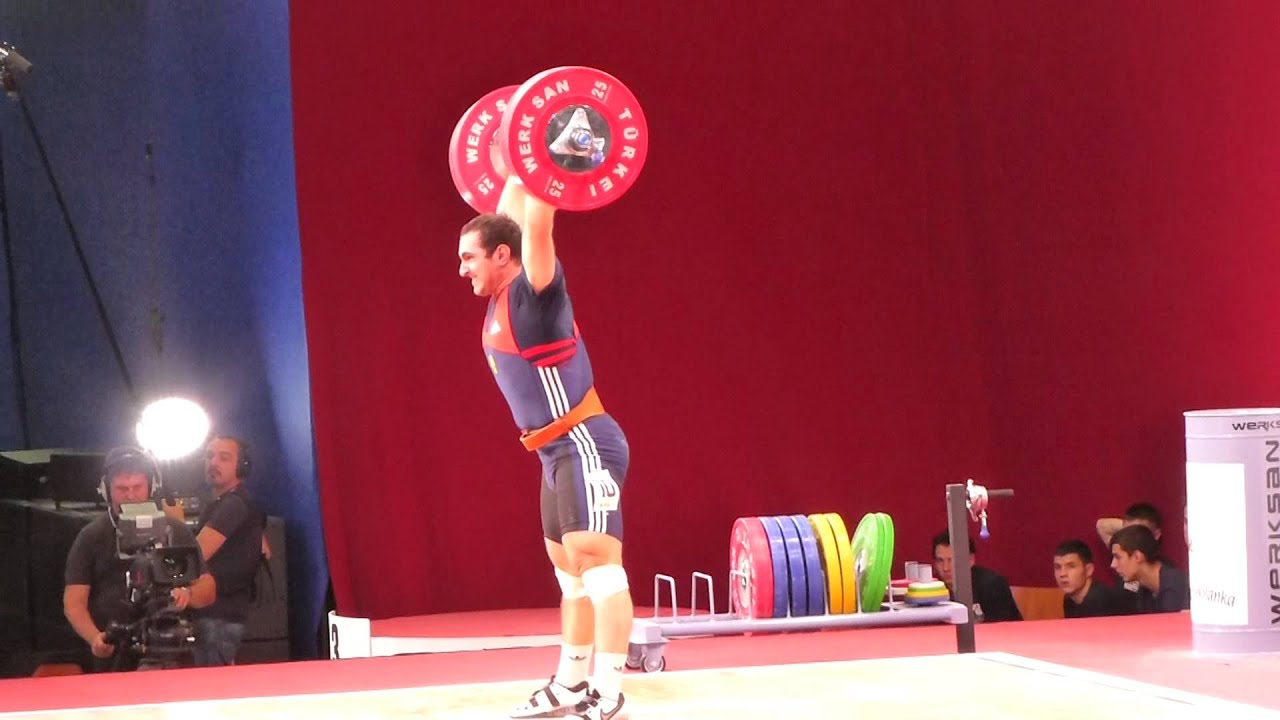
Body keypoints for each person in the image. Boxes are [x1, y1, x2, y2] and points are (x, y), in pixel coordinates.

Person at [458, 175, 632, 720]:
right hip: (552, 455)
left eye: (469, 258)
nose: (462, 268)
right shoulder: (500, 299)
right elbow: (511, 206)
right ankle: (570, 684)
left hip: (585, 442)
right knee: (569, 575)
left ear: (502, 256)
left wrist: (552, 159)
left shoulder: (536, 293)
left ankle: (610, 691)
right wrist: (518, 160)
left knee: (597, 564)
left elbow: (535, 221)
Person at [63, 446, 216, 671]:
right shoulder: (91, 536)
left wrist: (188, 594)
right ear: (106, 490)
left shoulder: (175, 531)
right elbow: (74, 601)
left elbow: (208, 589)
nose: (131, 495)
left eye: (137, 487)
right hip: (115, 652)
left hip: (169, 646)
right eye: (122, 489)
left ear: (151, 487)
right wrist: (94, 638)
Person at [186, 435, 265, 666]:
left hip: (218, 617)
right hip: (215, 616)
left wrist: (176, 524)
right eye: (209, 456)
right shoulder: (225, 503)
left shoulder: (233, 505)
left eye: (224, 458)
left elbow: (196, 554)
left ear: (242, 466)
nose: (213, 463)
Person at [931, 531, 1022, 623]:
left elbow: (1003, 627)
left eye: (952, 560)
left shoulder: (992, 585)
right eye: (940, 561)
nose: (946, 568)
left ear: (970, 560)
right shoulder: (932, 591)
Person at [1109, 524, 1189, 613]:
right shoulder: (1144, 592)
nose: (1113, 564)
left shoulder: (1176, 586)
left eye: (1118, 557)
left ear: (1137, 557)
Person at [1053, 539, 1130, 618]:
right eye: (1057, 567)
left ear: (1088, 570)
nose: (1062, 574)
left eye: (1071, 566)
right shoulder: (1069, 601)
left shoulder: (1103, 601)